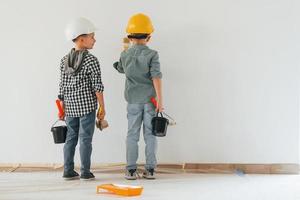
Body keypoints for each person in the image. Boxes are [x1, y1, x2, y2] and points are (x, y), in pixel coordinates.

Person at [113, 13, 163, 180]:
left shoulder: (125, 54)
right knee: (150, 135)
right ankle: (150, 170)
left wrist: (124, 50)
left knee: (132, 135)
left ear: (129, 36)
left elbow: (121, 69)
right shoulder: (152, 54)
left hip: (133, 101)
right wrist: (160, 101)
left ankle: (131, 170)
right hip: (150, 100)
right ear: (149, 37)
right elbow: (156, 76)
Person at [58, 17, 105, 180]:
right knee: (85, 139)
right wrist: (102, 107)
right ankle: (85, 171)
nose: (94, 39)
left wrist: (62, 108)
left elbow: (62, 87)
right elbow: (97, 87)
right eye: (92, 36)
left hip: (70, 107)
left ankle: (68, 170)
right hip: (86, 108)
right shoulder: (91, 60)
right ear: (81, 38)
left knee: (71, 138)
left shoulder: (64, 60)